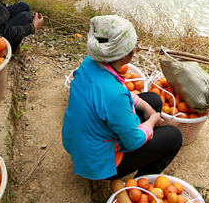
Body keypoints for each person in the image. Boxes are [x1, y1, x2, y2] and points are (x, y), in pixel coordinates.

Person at [62, 15, 182, 180]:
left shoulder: (90, 62)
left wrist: (147, 109)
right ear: (126, 54)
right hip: (97, 161)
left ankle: (145, 136)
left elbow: (117, 95)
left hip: (80, 143)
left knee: (153, 101)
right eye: (133, 46)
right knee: (174, 137)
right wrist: (152, 121)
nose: (135, 49)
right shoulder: (114, 95)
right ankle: (140, 184)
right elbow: (133, 141)